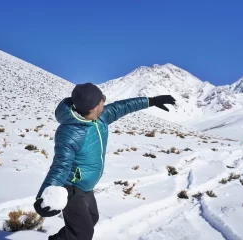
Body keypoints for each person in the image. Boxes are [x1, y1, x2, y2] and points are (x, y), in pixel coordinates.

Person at [34, 83, 176, 240]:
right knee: (83, 233)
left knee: (92, 218)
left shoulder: (101, 117)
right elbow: (60, 167)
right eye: (102, 99)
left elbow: (123, 106)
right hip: (72, 187)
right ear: (94, 107)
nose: (104, 101)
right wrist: (43, 197)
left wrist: (152, 101)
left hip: (87, 186)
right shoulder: (70, 133)